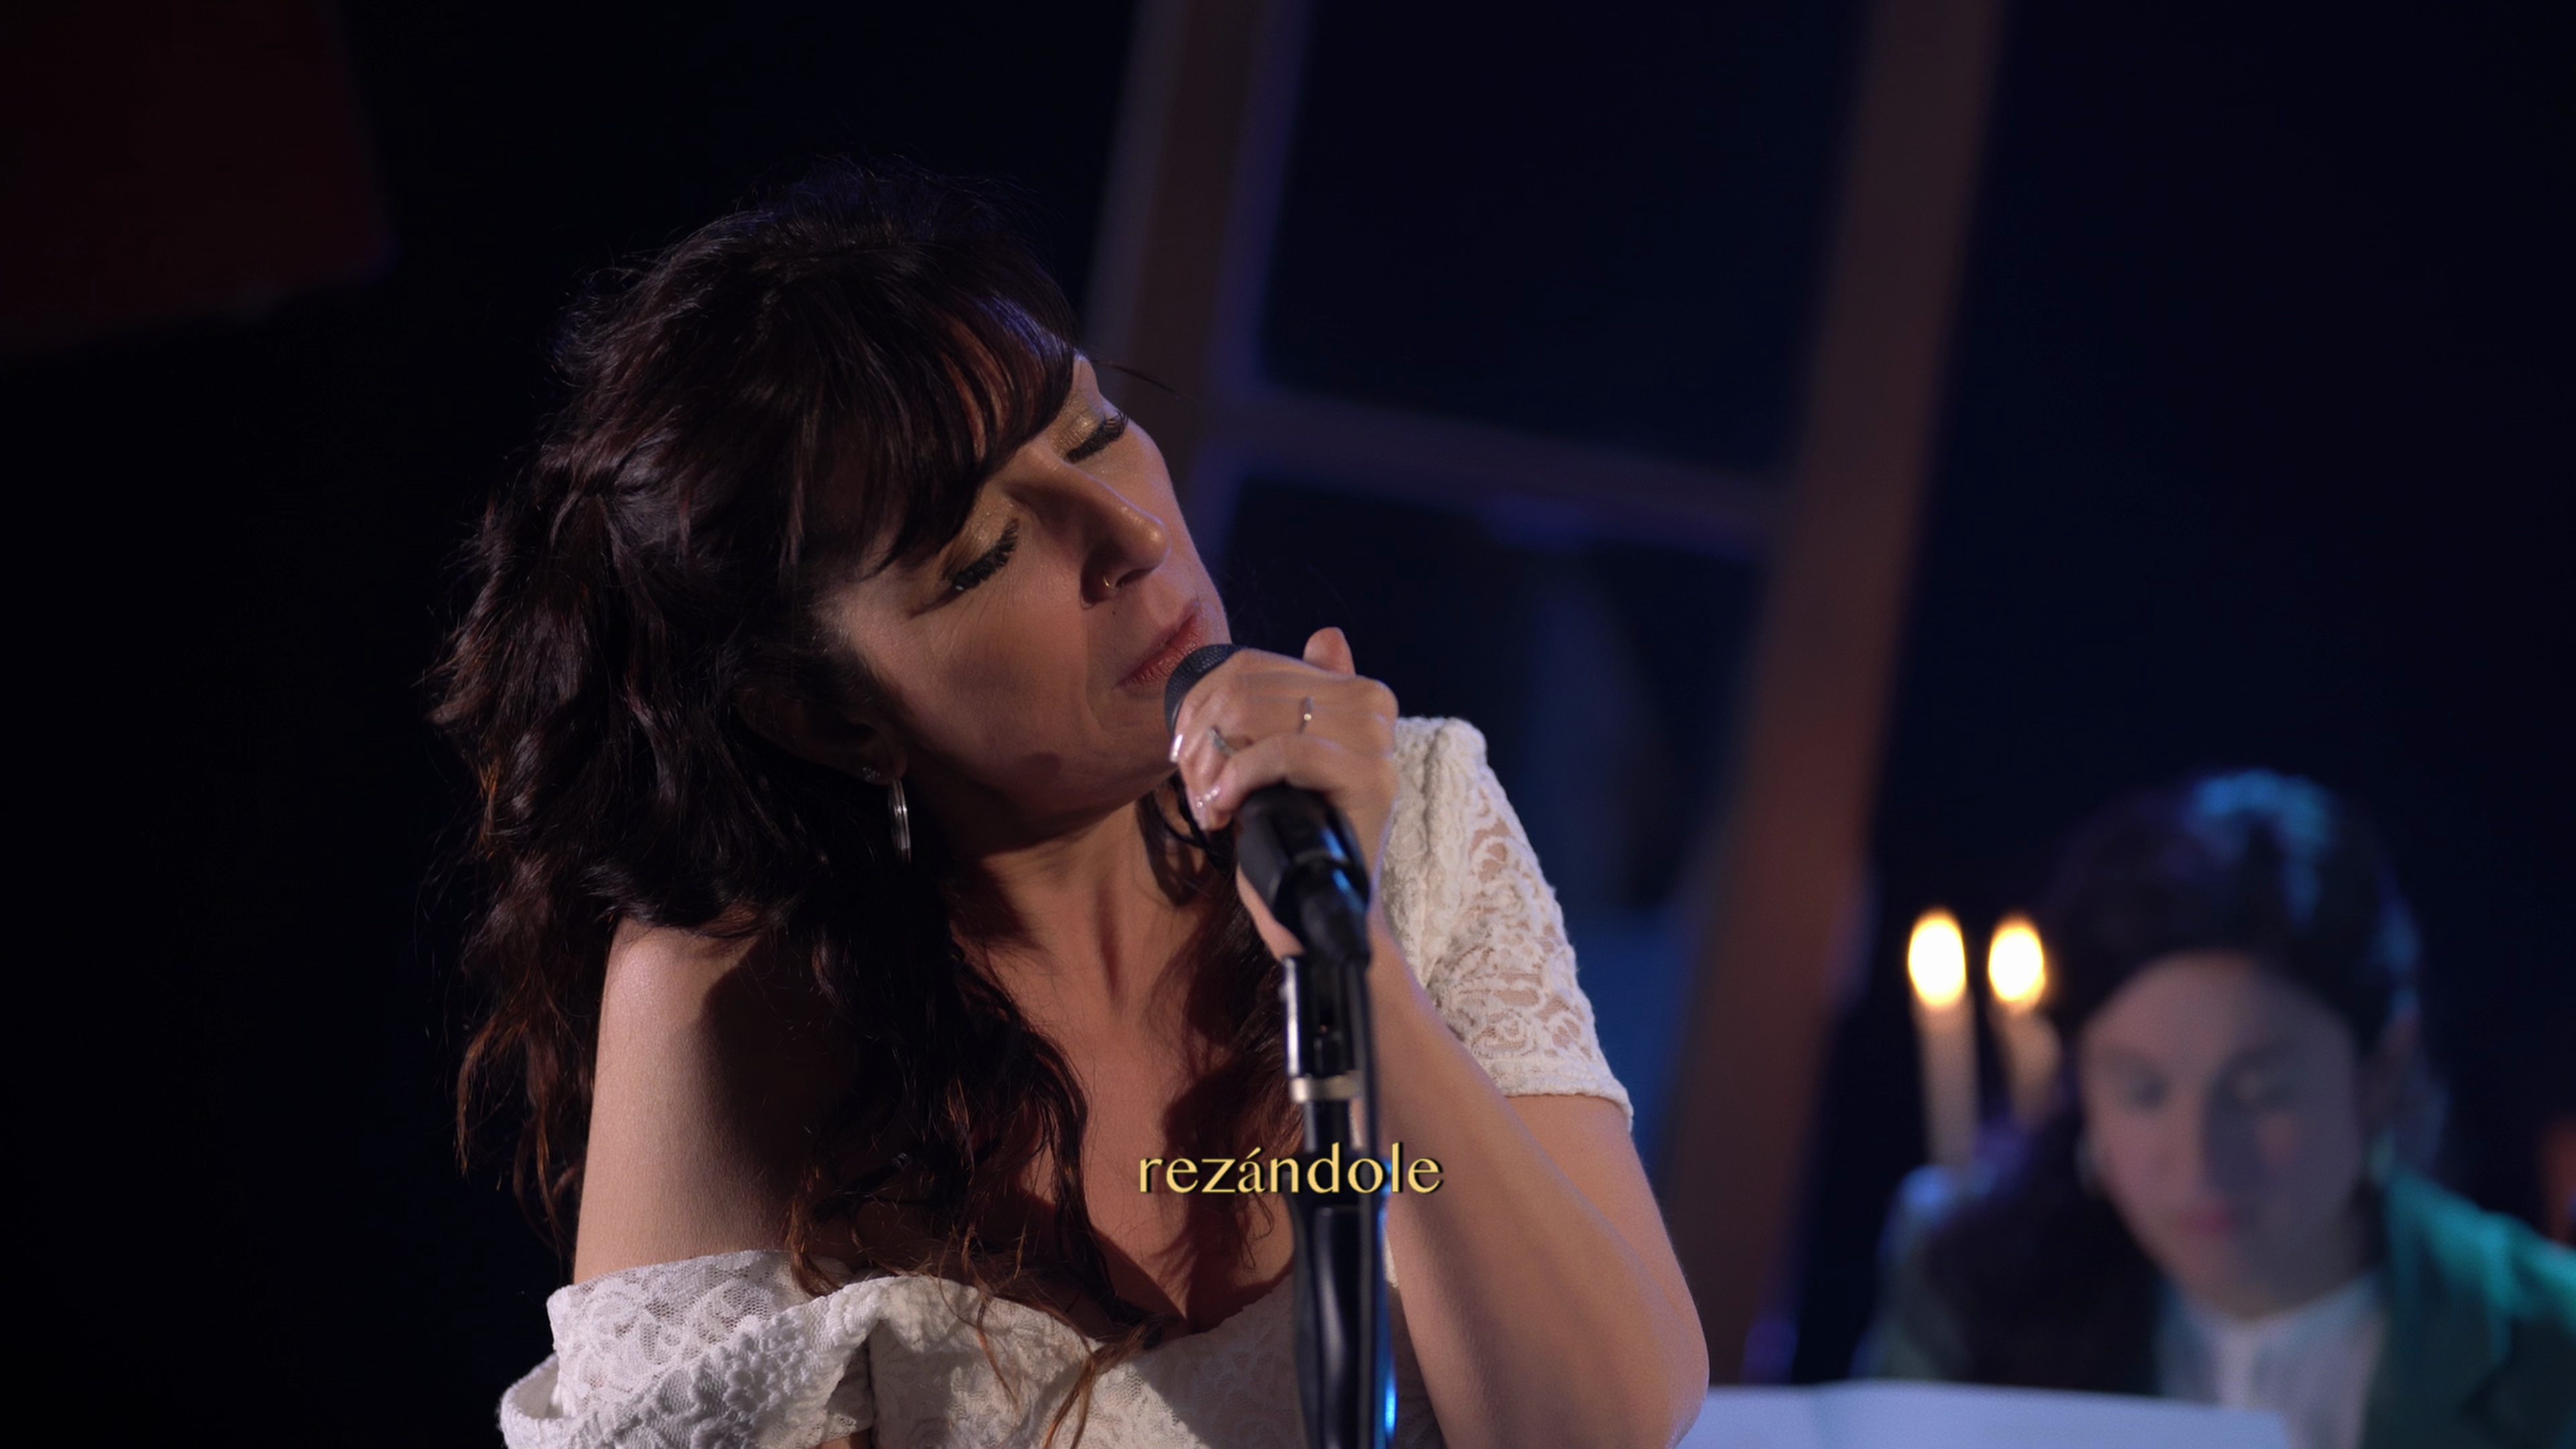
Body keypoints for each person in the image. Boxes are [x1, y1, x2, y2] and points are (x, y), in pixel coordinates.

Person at [433, 162, 1707, 1449]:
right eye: (986, 553)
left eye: (1095, 433)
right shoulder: (738, 1002)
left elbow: (1592, 1428)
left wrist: (1350, 953)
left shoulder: (1411, 811)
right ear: (831, 716)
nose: (1130, 533)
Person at [1864, 770, 2576, 1449]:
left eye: (2259, 1092)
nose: (2199, 1157)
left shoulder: (2547, 1346)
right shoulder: (1973, 1286)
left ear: (2381, 1069)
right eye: (2143, 1091)